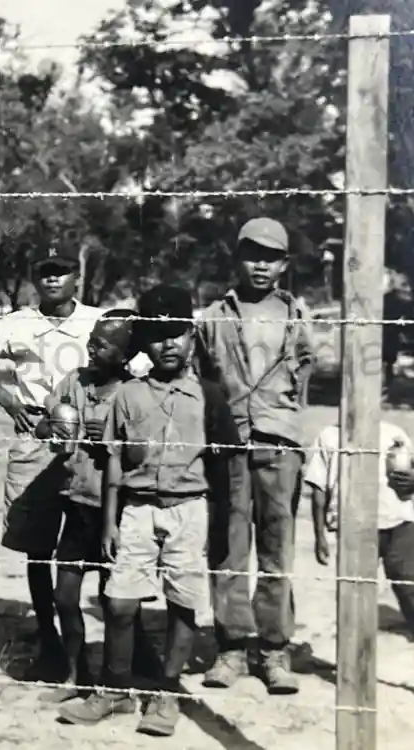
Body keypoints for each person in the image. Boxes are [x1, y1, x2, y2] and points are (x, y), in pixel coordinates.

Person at [63, 286, 240, 737]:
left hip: (189, 510)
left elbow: (225, 470)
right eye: (158, 336)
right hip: (137, 511)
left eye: (177, 334)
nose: (168, 345)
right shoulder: (129, 396)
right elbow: (115, 463)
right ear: (143, 342)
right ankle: (115, 688)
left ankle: (166, 693)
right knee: (120, 603)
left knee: (182, 604)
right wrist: (108, 521)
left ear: (191, 337)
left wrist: (220, 528)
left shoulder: (210, 396)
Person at [0, 246, 102, 682]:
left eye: (61, 271)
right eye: (45, 273)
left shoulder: (95, 320)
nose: (52, 280)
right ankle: (48, 638)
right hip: (36, 438)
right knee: (37, 546)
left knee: (91, 537)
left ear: (75, 278)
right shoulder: (16, 323)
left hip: (86, 443)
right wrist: (10, 402)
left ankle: (86, 640)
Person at [197, 217, 314, 695]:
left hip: (279, 443)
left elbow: (303, 378)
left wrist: (283, 426)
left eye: (271, 257)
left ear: (284, 264)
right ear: (237, 258)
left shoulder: (298, 316)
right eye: (252, 254)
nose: (261, 265)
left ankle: (272, 651)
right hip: (228, 443)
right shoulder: (211, 317)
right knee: (227, 546)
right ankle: (229, 649)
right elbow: (203, 380)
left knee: (276, 548)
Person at [31, 309, 158, 709]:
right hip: (77, 503)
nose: (90, 347)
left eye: (102, 344)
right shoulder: (75, 382)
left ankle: (124, 674)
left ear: (123, 355)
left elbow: (140, 455)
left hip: (114, 511)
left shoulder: (134, 393)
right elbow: (43, 425)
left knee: (115, 599)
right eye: (91, 339)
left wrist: (105, 441)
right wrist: (53, 427)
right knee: (65, 595)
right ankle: (76, 672)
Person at [306, 421, 414, 636]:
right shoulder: (328, 436)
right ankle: (354, 641)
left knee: (407, 579)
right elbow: (318, 488)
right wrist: (319, 535)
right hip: (353, 525)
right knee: (355, 588)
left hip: (398, 520)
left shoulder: (394, 432)